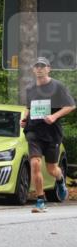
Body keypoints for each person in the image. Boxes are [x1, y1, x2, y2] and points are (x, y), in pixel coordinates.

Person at [20, 56, 74, 213]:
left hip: (52, 133)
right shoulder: (30, 88)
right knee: (35, 163)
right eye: (36, 66)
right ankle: (40, 200)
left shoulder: (57, 86)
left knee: (52, 169)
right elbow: (29, 108)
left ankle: (60, 179)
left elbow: (70, 106)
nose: (39, 69)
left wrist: (54, 116)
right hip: (34, 131)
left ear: (48, 69)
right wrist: (24, 119)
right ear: (33, 70)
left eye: (42, 66)